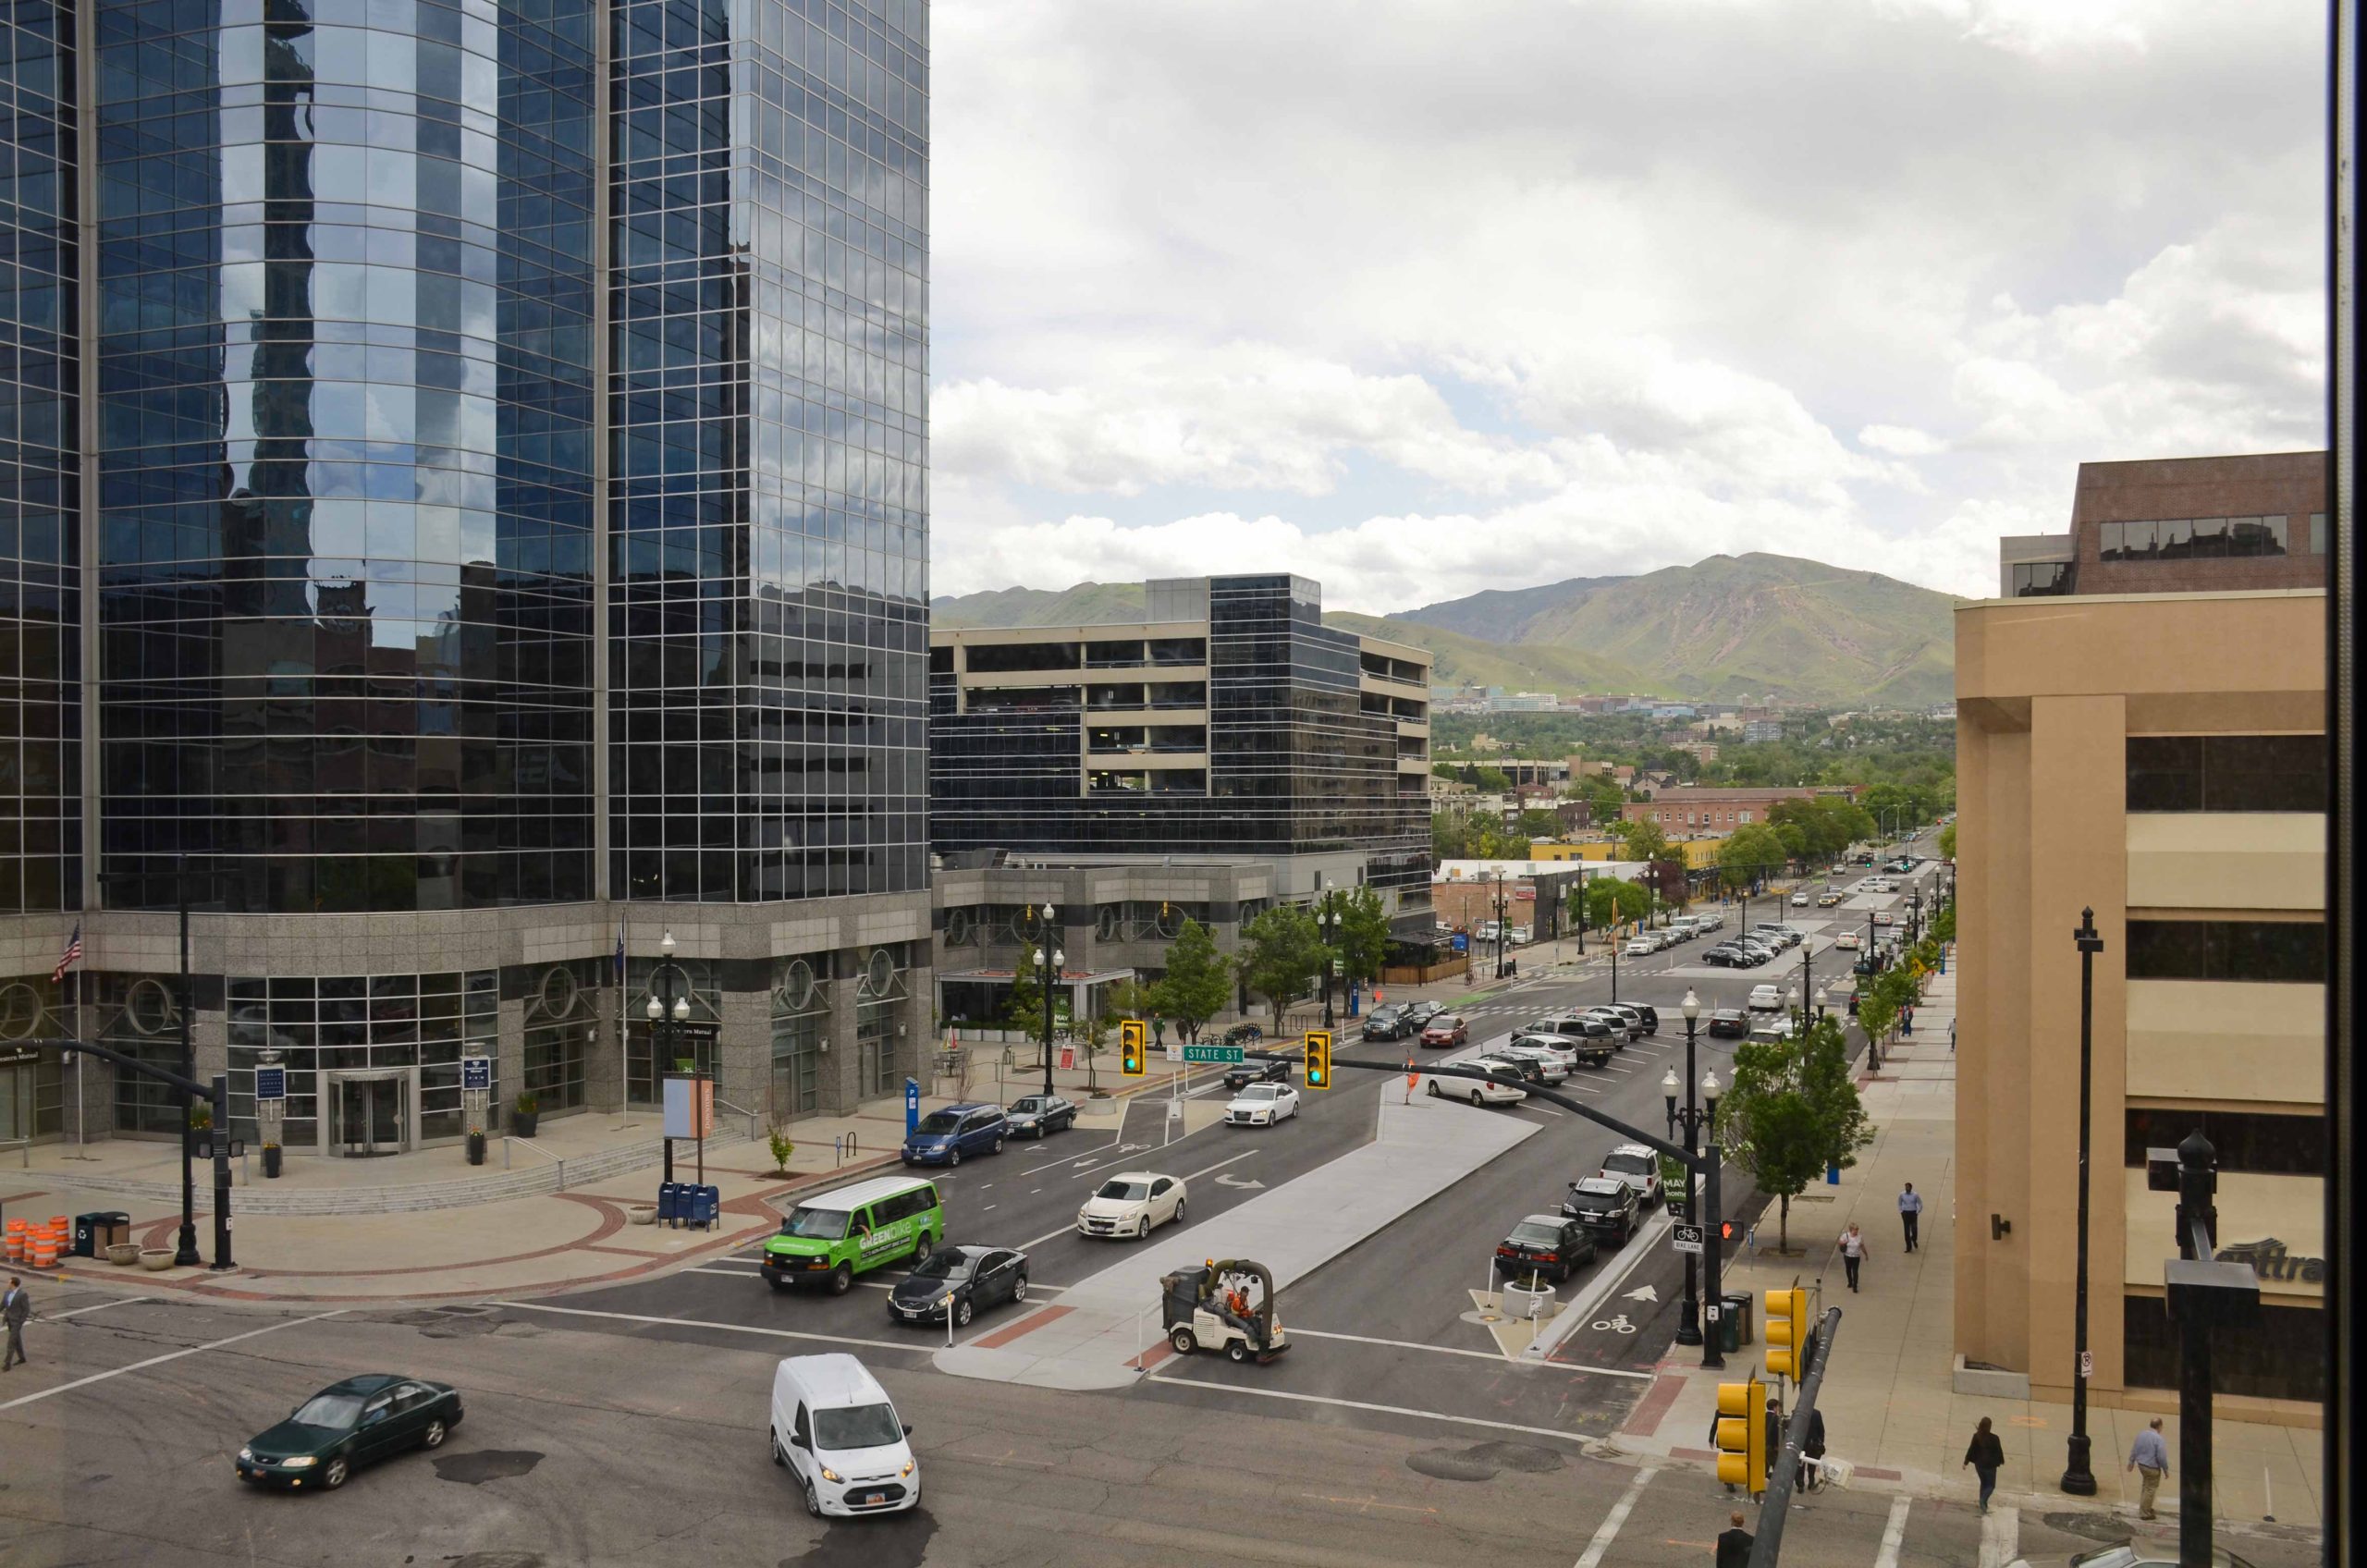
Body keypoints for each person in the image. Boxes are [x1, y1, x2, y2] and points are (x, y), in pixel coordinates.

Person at [2128, 1416, 2170, 1520]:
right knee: (2150, 1489)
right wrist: (2165, 1469)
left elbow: (2135, 1448)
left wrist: (2131, 1461)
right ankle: (2145, 1512)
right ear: (2159, 1426)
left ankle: (2144, 1507)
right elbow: (2161, 1457)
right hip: (2152, 1467)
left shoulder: (2141, 1434)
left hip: (2141, 1465)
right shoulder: (2159, 1439)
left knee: (2145, 1486)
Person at [1964, 1416, 2005, 1514]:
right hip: (1990, 1466)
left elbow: (1971, 1449)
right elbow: (1999, 1451)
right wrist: (2001, 1461)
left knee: (1984, 1483)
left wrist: (1966, 1462)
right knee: (1991, 1486)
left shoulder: (1976, 1436)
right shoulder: (1994, 1438)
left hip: (1979, 1465)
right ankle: (1983, 1500)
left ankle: (1983, 1504)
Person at [2, 1275, 27, 1371]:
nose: (7, 1283)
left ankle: (7, 1363)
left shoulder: (22, 1295)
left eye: (9, 1282)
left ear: (13, 1284)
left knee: (11, 1342)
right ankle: (22, 1358)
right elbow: (3, 1305)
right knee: (17, 1340)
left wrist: (21, 1322)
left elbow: (26, 1310)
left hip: (17, 1322)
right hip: (9, 1320)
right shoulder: (7, 1293)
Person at [1839, 1222, 1869, 1292]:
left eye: (1857, 1229)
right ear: (1851, 1230)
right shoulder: (1845, 1236)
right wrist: (1844, 1242)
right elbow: (1840, 1242)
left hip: (1856, 1257)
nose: (1856, 1231)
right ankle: (1850, 1281)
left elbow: (1862, 1247)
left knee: (1855, 1271)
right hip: (1847, 1256)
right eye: (1855, 1229)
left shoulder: (1859, 1237)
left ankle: (1855, 1286)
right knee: (1848, 1269)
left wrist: (1866, 1254)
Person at [1899, 1182, 1924, 1254]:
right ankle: (1908, 1247)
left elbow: (1920, 1203)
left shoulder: (1915, 1195)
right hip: (1905, 1213)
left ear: (1911, 1188)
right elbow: (1899, 1203)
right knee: (1906, 1231)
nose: (1906, 1188)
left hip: (1913, 1213)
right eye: (1905, 1187)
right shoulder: (1902, 1194)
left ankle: (1914, 1239)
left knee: (1914, 1228)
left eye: (1907, 1187)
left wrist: (1918, 1211)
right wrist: (1901, 1211)